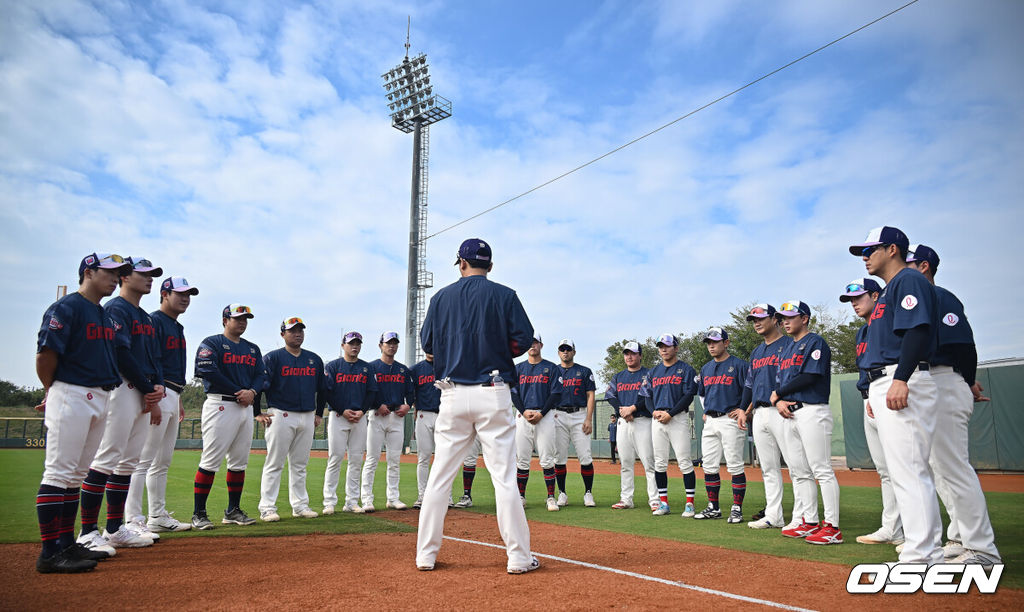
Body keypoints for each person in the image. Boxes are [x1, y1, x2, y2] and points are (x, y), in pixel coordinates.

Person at [415, 238, 539, 574]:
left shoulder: (441, 297)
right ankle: (518, 556)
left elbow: (428, 344)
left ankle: (425, 555)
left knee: (440, 477)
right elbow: (524, 339)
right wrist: (495, 347)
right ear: (491, 265)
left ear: (461, 263)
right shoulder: (504, 294)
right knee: (503, 477)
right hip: (493, 390)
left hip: (452, 393)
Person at [849, 226, 942, 565]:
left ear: (891, 249)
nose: (864, 256)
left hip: (901, 377)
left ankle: (923, 553)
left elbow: (918, 330)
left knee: (910, 470)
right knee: (904, 472)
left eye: (870, 249)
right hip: (885, 380)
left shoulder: (908, 280)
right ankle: (925, 549)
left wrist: (901, 378)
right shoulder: (890, 290)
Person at [34, 253, 130, 573]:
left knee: (76, 475)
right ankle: (50, 553)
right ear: (89, 272)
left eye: (119, 273)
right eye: (110, 272)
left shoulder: (102, 314)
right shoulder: (67, 307)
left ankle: (66, 545)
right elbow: (46, 354)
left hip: (100, 396)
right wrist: (54, 390)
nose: (116, 278)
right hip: (71, 392)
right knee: (59, 473)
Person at [907, 244, 1001, 568]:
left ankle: (983, 549)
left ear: (923, 267)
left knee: (955, 469)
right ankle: (960, 538)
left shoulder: (939, 296)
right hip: (929, 381)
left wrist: (967, 378)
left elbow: (963, 344)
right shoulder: (915, 300)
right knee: (940, 471)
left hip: (944, 379)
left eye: (906, 262)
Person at [82, 256, 165, 550]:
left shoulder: (144, 317)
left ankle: (116, 528)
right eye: (143, 274)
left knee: (128, 462)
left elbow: (153, 358)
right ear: (125, 278)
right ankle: (88, 531)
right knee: (106, 458)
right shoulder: (116, 308)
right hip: (122, 389)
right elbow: (121, 353)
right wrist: (147, 387)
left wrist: (156, 389)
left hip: (142, 393)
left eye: (152, 275)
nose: (149, 279)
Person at [126, 276, 199, 535]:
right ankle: (132, 519)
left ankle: (157, 515)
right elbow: (149, 361)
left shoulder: (176, 326)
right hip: (157, 391)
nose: (185, 298)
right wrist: (152, 397)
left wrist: (177, 400)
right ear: (164, 294)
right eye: (179, 293)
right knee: (142, 460)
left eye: (188, 294)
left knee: (162, 462)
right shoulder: (154, 321)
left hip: (173, 392)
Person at [190, 304, 269, 529]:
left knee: (239, 461)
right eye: (238, 318)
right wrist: (240, 391)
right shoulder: (212, 342)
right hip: (220, 404)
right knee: (211, 460)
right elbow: (207, 370)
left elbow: (260, 376)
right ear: (225, 320)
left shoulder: (252, 349)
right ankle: (199, 514)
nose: (243, 322)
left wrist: (252, 392)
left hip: (244, 407)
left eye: (246, 318)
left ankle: (233, 510)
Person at [772, 301, 842, 545]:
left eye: (791, 316)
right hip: (790, 413)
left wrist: (779, 393)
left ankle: (832, 527)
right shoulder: (788, 348)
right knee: (799, 471)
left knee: (821, 469)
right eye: (782, 318)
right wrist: (779, 401)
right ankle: (809, 521)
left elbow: (810, 375)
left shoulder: (815, 342)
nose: (785, 321)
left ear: (805, 318)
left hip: (813, 410)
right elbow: (783, 382)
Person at [841, 279, 903, 547]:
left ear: (876, 296)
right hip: (871, 394)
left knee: (904, 467)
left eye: (859, 297)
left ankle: (918, 531)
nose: (854, 303)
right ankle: (892, 528)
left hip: (892, 387)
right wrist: (868, 395)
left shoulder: (890, 323)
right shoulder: (861, 333)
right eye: (850, 300)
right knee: (884, 470)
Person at [741, 304, 809, 531]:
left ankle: (801, 516)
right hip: (760, 412)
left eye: (761, 318)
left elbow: (796, 376)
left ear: (775, 319)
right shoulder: (757, 352)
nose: (756, 323)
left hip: (783, 410)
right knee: (768, 468)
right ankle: (773, 515)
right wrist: (744, 409)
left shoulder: (789, 344)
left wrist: (783, 399)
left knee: (795, 465)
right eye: (753, 320)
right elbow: (749, 385)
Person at [257, 317, 326, 522]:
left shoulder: (314, 359)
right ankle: (267, 507)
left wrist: (320, 413)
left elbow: (322, 389)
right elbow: (260, 386)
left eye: (300, 330)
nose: (297, 333)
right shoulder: (273, 358)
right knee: (275, 462)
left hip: (307, 415)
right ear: (282, 334)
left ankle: (300, 505)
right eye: (292, 330)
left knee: (300, 464)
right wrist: (257, 412)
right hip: (280, 414)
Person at [694, 327, 748, 523]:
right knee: (709, 465)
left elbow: (749, 390)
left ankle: (736, 508)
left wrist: (744, 410)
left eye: (715, 342)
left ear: (726, 343)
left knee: (734, 465)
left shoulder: (740, 365)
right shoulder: (706, 368)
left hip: (730, 419)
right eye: (708, 342)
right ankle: (713, 507)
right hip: (711, 421)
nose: (711, 345)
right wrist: (706, 410)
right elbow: (701, 393)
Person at [322, 331, 378, 514]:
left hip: (360, 418)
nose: (355, 346)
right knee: (335, 458)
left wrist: (362, 410)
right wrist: (341, 410)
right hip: (338, 417)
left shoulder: (366, 368)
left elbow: (371, 392)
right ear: (343, 345)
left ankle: (351, 502)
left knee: (355, 460)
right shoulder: (333, 366)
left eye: (358, 343)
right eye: (351, 343)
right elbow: (327, 392)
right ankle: (329, 501)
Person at [645, 334, 698, 517]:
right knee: (659, 463)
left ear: (675, 348)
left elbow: (688, 396)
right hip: (658, 419)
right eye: (661, 346)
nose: (664, 349)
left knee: (684, 461)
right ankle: (664, 503)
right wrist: (653, 411)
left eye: (667, 346)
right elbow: (647, 396)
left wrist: (671, 413)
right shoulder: (653, 372)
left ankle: (690, 504)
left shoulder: (686, 369)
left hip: (677, 418)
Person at [362, 331, 415, 511]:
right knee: (372, 459)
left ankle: (393, 498)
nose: (392, 346)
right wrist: (377, 405)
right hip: (377, 417)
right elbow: (368, 391)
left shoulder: (402, 369)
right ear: (380, 346)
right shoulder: (372, 367)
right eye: (388, 343)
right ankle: (367, 499)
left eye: (395, 343)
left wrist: (408, 406)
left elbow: (410, 392)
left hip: (397, 417)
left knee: (394, 460)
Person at [606, 341, 657, 511]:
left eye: (633, 353)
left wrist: (632, 408)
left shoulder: (649, 374)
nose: (629, 356)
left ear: (640, 355)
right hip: (623, 422)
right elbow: (610, 395)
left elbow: (648, 397)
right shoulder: (618, 376)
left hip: (643, 421)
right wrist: (621, 410)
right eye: (626, 353)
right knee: (625, 462)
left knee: (649, 462)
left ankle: (655, 500)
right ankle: (626, 499)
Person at [513, 335, 562, 511]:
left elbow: (556, 394)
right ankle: (520, 497)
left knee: (547, 459)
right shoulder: (518, 368)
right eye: (529, 343)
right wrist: (523, 411)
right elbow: (513, 393)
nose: (532, 346)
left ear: (541, 345)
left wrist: (541, 413)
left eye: (535, 343)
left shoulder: (551, 368)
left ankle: (550, 497)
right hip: (522, 416)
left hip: (545, 416)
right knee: (522, 460)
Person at [552, 339, 597, 507]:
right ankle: (562, 493)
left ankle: (588, 493)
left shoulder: (584, 371)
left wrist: (588, 419)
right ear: (558, 352)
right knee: (559, 457)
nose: (565, 352)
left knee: (585, 456)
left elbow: (590, 395)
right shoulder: (553, 371)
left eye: (568, 349)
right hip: (558, 414)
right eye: (562, 349)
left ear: (574, 352)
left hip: (580, 414)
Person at [411, 352, 443, 509]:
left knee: (444, 458)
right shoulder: (416, 369)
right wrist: (414, 407)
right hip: (424, 414)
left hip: (444, 415)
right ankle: (422, 495)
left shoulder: (447, 366)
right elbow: (411, 393)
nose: (431, 349)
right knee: (423, 457)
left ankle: (445, 496)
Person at [452, 441, 482, 508]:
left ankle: (502, 497)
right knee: (469, 460)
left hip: (492, 431)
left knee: (497, 462)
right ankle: (467, 496)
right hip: (474, 431)